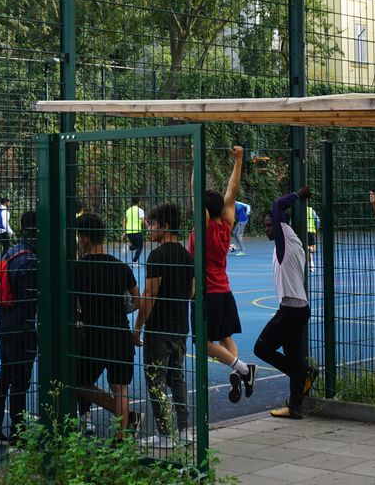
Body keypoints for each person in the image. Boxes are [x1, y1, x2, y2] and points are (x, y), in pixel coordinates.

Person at [189, 145, 255, 402]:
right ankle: (239, 372)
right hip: (224, 290)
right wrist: (238, 160)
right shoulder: (226, 224)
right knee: (226, 338)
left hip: (208, 292)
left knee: (201, 343)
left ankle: (243, 369)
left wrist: (197, 156)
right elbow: (232, 189)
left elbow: (197, 194)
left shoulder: (204, 227)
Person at [74, 212, 141, 434]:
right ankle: (121, 437)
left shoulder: (78, 268)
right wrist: (123, 309)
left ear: (84, 238)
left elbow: (73, 304)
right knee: (120, 387)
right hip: (120, 333)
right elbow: (138, 300)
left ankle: (120, 414)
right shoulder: (120, 267)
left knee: (79, 381)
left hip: (95, 335)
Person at [134, 203, 194, 448]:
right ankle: (184, 430)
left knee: (155, 379)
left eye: (152, 224)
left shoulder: (157, 255)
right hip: (180, 326)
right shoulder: (187, 256)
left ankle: (164, 434)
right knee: (177, 378)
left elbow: (150, 293)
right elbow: (191, 291)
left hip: (159, 328)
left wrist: (137, 327)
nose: (149, 229)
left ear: (165, 226)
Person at [256, 188, 317, 419]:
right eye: (265, 225)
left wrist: (298, 194)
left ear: (280, 225)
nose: (267, 229)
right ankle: (295, 407)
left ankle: (303, 373)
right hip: (296, 309)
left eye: (270, 225)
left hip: (291, 310)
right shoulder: (290, 242)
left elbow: (277, 203)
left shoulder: (285, 239)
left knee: (261, 348)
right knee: (294, 356)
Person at [0, 210, 40, 447]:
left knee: (5, 376)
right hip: (22, 328)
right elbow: (31, 299)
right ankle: (18, 434)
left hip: (5, 323)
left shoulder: (13, 251)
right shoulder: (30, 259)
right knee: (20, 381)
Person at [125, 197, 146, 267]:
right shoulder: (140, 210)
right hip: (136, 231)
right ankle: (134, 262)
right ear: (139, 202)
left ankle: (128, 247)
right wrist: (148, 226)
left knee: (135, 245)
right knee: (140, 246)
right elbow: (143, 221)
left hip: (129, 232)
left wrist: (124, 231)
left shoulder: (128, 210)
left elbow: (124, 221)